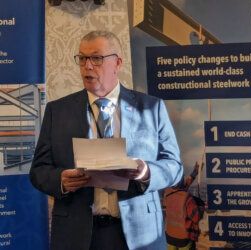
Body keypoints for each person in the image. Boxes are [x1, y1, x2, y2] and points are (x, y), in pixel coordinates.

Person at [29, 30, 183, 250]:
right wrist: (60, 180)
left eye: (97, 58)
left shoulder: (151, 108)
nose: (88, 66)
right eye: (82, 58)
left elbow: (175, 167)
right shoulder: (57, 111)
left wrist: (146, 172)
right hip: (76, 235)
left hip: (140, 235)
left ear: (117, 63)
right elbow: (38, 171)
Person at [164, 162, 205, 250]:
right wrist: (201, 206)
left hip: (170, 236)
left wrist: (195, 172)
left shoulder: (168, 192)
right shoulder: (187, 198)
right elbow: (196, 217)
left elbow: (182, 187)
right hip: (184, 239)